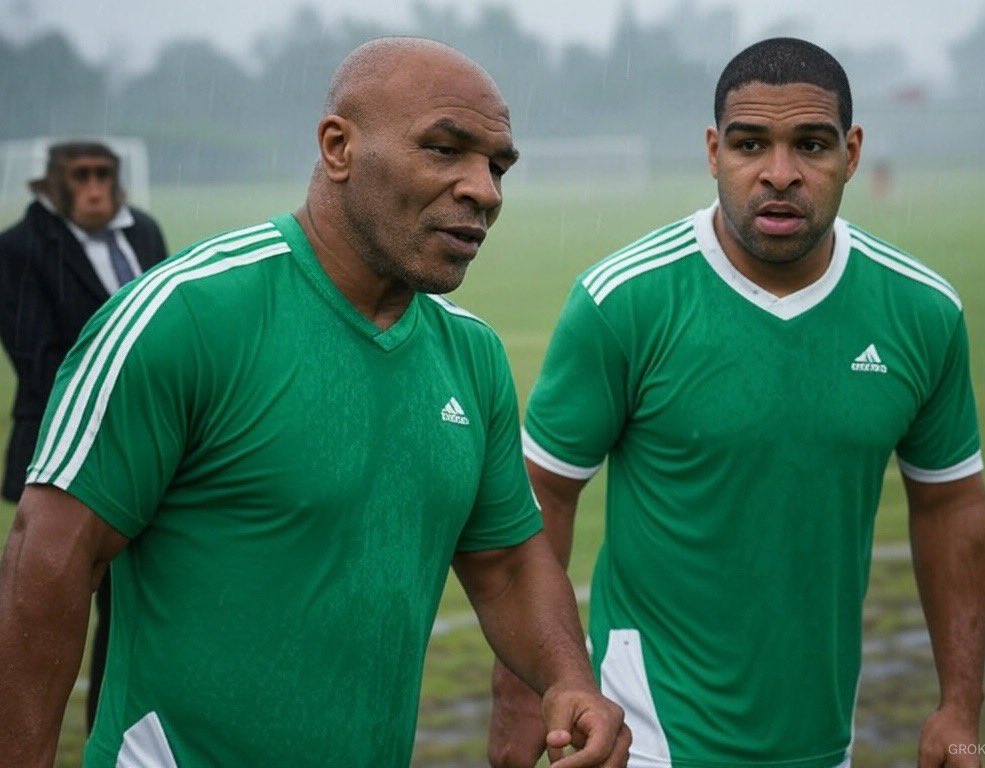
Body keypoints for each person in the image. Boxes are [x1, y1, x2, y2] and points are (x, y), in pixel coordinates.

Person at [0, 38, 630, 768]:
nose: (484, 189)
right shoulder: (186, 314)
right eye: (445, 150)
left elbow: (508, 566)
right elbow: (49, 558)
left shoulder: (473, 357)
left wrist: (567, 681)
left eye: (497, 165)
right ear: (338, 147)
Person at [489, 38, 985, 768]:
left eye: (810, 145)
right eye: (751, 144)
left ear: (852, 152)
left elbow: (950, 503)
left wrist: (961, 704)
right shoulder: (623, 301)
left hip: (824, 738)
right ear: (712, 150)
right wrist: (518, 693)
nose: (779, 174)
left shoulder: (922, 311)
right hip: (645, 734)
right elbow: (541, 497)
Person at [0, 140, 168, 733]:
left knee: (137, 609)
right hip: (68, 455)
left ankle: (123, 730)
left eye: (104, 176)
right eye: (83, 178)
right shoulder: (17, 250)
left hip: (156, 455)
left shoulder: (143, 231)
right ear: (53, 186)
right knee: (57, 613)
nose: (96, 189)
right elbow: (38, 358)